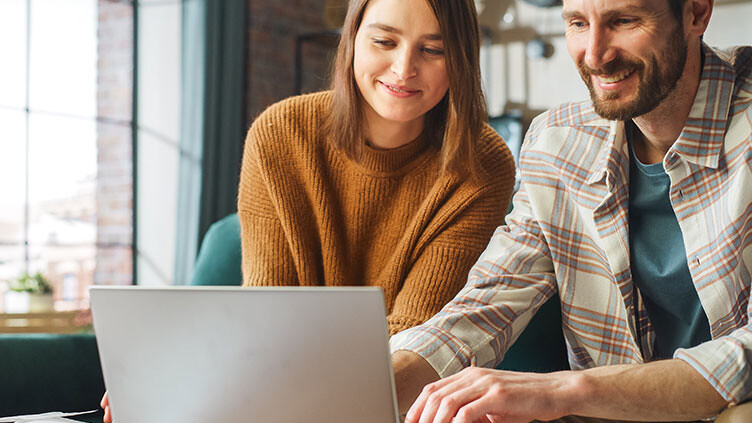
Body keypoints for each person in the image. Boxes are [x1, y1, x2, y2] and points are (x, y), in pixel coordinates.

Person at [390, 0, 752, 422]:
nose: (594, 55)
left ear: (696, 13)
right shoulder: (555, 142)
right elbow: (487, 303)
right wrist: (375, 385)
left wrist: (561, 391)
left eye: (624, 21)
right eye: (577, 24)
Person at [101, 0, 515, 420]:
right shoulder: (279, 135)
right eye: (384, 41)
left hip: (399, 399)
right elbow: (268, 312)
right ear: (352, 40)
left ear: (462, 57)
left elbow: (419, 339)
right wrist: (180, 378)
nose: (404, 67)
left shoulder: (483, 163)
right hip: (281, 392)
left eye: (433, 50)